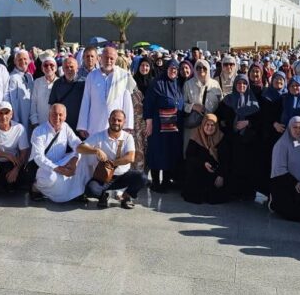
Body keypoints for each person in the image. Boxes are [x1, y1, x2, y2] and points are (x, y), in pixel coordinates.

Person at [76, 110, 146, 209]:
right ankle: (103, 196)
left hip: (123, 176)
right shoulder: (99, 135)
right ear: (109, 120)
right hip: (103, 177)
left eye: (119, 120)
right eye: (113, 119)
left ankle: (126, 196)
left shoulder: (128, 137)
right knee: (90, 191)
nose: (116, 122)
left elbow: (130, 157)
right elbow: (79, 148)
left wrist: (111, 164)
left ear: (124, 122)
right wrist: (96, 150)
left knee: (142, 177)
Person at [29, 103, 87, 203]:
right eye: (54, 114)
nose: (57, 118)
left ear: (65, 116)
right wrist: (57, 168)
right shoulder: (38, 131)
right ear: (49, 115)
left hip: (60, 163)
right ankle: (36, 187)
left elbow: (77, 144)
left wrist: (74, 160)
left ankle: (77, 193)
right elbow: (38, 157)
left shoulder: (65, 127)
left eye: (60, 115)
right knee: (51, 178)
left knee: (84, 156)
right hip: (43, 167)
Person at [267, 116, 300, 222]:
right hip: (284, 184)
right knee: (294, 214)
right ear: (289, 128)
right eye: (295, 127)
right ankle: (273, 202)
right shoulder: (281, 144)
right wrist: (295, 183)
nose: (298, 130)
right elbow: (279, 171)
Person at [216, 75, 261, 199]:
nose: (241, 86)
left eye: (244, 83)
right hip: (231, 139)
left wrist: (248, 123)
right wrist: (226, 124)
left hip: (248, 141)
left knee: (246, 167)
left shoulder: (254, 101)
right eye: (239, 83)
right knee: (232, 165)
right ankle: (233, 192)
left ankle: (246, 193)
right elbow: (218, 116)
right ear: (235, 85)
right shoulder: (228, 100)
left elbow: (260, 121)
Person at [143, 60, 184, 192]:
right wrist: (149, 122)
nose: (173, 71)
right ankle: (155, 182)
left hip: (173, 127)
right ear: (166, 69)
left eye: (175, 69)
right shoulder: (157, 83)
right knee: (157, 152)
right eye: (171, 68)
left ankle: (166, 182)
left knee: (169, 153)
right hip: (158, 126)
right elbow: (148, 103)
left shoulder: (178, 83)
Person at [78, 46, 134, 138]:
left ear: (116, 59)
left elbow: (127, 102)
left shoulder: (123, 76)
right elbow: (86, 101)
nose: (108, 61)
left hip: (116, 124)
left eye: (111, 58)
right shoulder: (92, 76)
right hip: (95, 124)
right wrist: (82, 126)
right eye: (106, 58)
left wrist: (128, 126)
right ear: (101, 58)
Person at [0, 101, 31, 198]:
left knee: (20, 180)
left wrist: (16, 170)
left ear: (11, 114)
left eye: (6, 113)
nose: (3, 116)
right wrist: (7, 155)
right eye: (0, 113)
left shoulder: (19, 128)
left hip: (13, 163)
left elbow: (24, 153)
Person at [182, 113, 231, 204]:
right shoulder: (196, 135)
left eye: (212, 125)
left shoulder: (221, 137)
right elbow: (189, 156)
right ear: (203, 124)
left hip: (215, 171)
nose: (209, 127)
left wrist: (221, 175)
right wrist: (203, 163)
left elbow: (225, 159)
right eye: (207, 124)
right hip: (199, 169)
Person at [49, 56, 85, 132]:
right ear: (62, 69)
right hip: (62, 126)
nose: (69, 69)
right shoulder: (57, 84)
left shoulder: (84, 83)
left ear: (77, 68)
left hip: (80, 126)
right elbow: (52, 105)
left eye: (71, 67)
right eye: (66, 67)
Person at [29, 56, 58, 130]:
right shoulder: (37, 82)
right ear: (42, 69)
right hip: (40, 122)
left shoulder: (60, 82)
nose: (48, 67)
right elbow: (33, 102)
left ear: (56, 68)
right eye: (45, 65)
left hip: (56, 123)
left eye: (51, 65)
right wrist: (34, 121)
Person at [7, 49, 33, 127]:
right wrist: (15, 118)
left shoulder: (29, 76)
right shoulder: (13, 77)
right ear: (15, 62)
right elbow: (13, 100)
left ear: (29, 61)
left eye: (25, 59)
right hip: (20, 116)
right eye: (20, 59)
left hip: (31, 115)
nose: (23, 61)